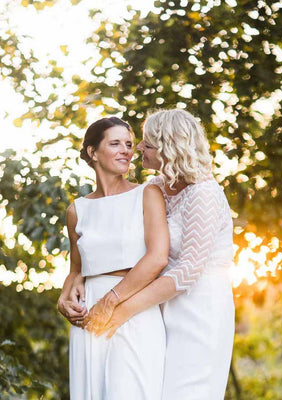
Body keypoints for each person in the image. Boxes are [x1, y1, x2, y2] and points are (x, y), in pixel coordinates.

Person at [83, 109, 235, 400]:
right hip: (159, 306)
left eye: (147, 144)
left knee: (187, 391)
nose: (138, 147)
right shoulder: (155, 187)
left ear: (169, 148)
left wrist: (120, 309)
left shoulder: (204, 193)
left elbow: (188, 271)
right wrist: (80, 277)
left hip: (200, 308)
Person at [57, 116, 169, 400]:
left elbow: (157, 258)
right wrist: (64, 299)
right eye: (115, 143)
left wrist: (110, 301)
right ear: (93, 152)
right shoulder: (77, 210)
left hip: (133, 308)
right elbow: (76, 270)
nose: (126, 150)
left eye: (129, 144)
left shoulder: (148, 193)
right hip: (89, 320)